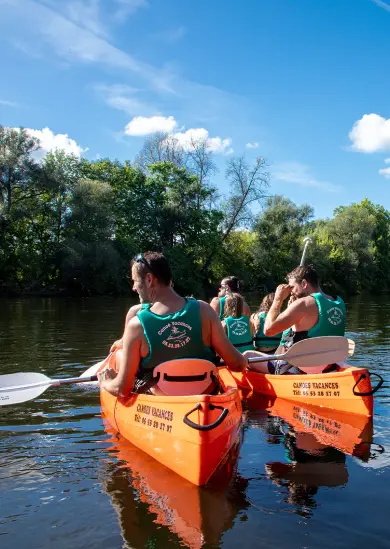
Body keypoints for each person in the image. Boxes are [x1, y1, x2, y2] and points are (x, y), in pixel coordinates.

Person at [98, 252, 247, 396]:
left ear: (149, 279)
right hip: (205, 399)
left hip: (162, 406)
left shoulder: (137, 325)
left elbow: (122, 389)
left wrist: (105, 382)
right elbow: (238, 364)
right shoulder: (205, 311)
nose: (134, 287)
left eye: (135, 281)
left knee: (119, 355)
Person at [246, 265, 346, 374]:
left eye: (292, 287)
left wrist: (277, 300)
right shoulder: (339, 302)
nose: (291, 292)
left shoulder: (303, 304)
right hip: (327, 365)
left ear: (304, 283)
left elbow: (268, 330)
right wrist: (291, 310)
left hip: (297, 368)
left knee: (247, 355)